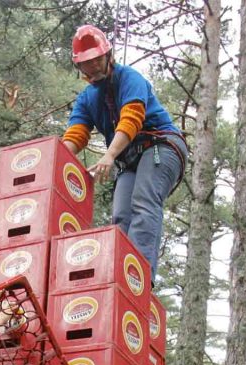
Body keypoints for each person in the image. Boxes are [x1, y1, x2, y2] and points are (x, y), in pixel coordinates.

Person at [61, 24, 188, 278]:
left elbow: (131, 119)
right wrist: (53, 166)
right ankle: (118, 280)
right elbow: (75, 136)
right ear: (79, 67)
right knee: (120, 217)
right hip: (130, 159)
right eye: (87, 63)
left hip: (160, 145)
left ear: (108, 55)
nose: (94, 66)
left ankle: (139, 278)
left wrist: (109, 155)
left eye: (97, 59)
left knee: (143, 201)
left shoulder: (129, 78)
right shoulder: (86, 99)